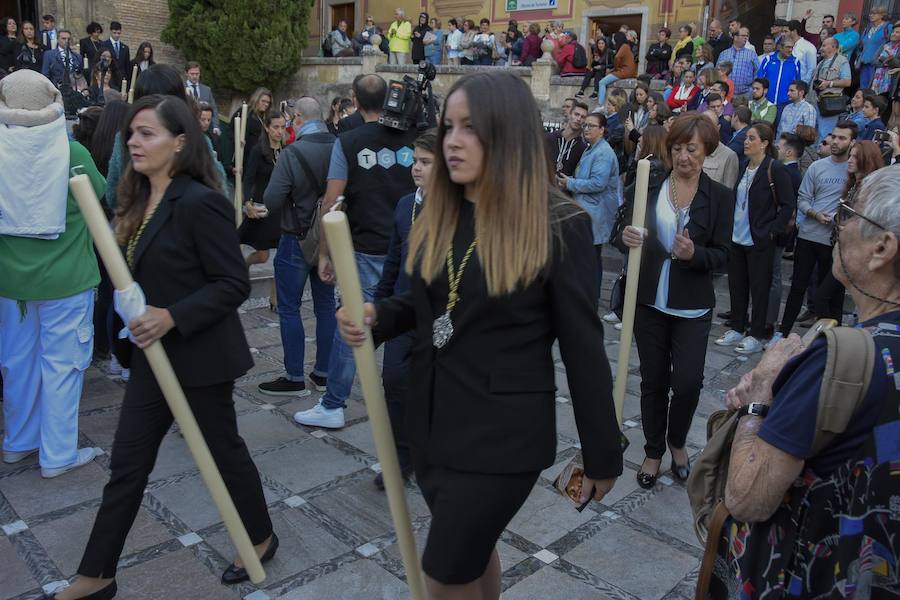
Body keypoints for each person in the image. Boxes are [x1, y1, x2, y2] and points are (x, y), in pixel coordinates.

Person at [338, 69, 622, 600]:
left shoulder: (560, 225)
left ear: (507, 132)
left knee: (444, 574)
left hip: (500, 439)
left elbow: (584, 351)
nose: (453, 141)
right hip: (432, 420)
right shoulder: (443, 209)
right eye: (448, 127)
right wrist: (380, 316)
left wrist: (602, 453)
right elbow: (429, 304)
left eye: (470, 127)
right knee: (472, 554)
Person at [52, 94, 277, 600]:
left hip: (199, 355)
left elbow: (231, 283)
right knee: (128, 465)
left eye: (147, 133)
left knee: (222, 453)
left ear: (180, 142)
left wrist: (172, 315)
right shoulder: (134, 198)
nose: (134, 140)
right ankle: (97, 574)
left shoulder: (201, 202)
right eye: (131, 132)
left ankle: (260, 534)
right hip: (151, 360)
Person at [721, 165, 900, 598]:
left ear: (882, 247)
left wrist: (761, 392)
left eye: (849, 213)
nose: (840, 225)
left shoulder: (836, 361)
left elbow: (747, 498)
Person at [614, 112, 732, 488]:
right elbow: (622, 230)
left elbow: (725, 255)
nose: (683, 156)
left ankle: (678, 441)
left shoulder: (720, 197)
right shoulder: (648, 185)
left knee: (687, 383)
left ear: (706, 150)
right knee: (652, 380)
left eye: (692, 149)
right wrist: (626, 237)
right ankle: (653, 450)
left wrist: (695, 255)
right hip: (648, 301)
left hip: (691, 305)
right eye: (678, 148)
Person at [293, 75, 416, 429]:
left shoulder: (346, 141)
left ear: (355, 100)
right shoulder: (415, 137)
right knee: (404, 326)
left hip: (364, 247)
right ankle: (400, 416)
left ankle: (333, 403)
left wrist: (327, 253)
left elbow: (332, 201)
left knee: (352, 324)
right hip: (409, 244)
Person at [0, 68, 104, 479]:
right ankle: (57, 453)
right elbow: (99, 195)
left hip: (11, 282)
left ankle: (19, 442)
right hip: (67, 279)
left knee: (17, 361)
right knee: (62, 364)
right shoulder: (72, 153)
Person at [371, 130, 437, 490]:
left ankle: (428, 451)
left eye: (426, 162)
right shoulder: (403, 206)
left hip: (438, 316)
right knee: (393, 381)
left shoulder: (454, 209)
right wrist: (379, 312)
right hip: (401, 309)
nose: (417, 168)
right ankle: (400, 458)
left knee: (432, 389)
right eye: (415, 160)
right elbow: (393, 262)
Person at [259, 97, 336, 397]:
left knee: (290, 308)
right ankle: (324, 372)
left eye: (292, 117)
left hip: (295, 235)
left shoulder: (293, 153)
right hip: (328, 236)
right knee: (326, 305)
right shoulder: (339, 146)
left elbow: (271, 200)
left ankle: (294, 377)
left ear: (299, 118)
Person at [717, 123, 796, 354]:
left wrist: (773, 231)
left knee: (759, 289)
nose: (746, 142)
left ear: (764, 143)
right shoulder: (743, 166)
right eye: (746, 138)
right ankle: (737, 327)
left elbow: (788, 204)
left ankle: (757, 333)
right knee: (737, 284)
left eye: (752, 138)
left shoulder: (775, 168)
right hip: (737, 236)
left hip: (760, 238)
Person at [105, 64, 227, 209]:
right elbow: (113, 196)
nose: (135, 143)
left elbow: (113, 196)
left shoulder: (195, 140)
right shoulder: (126, 138)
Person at [777, 121, 855, 336]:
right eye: (834, 137)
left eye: (842, 138)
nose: (836, 142)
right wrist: (814, 214)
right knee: (797, 288)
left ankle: (829, 339)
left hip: (835, 241)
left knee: (831, 293)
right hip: (809, 235)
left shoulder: (854, 169)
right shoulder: (817, 166)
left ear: (852, 142)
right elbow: (802, 199)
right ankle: (782, 333)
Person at [558, 111, 620, 288]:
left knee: (591, 260)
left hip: (596, 213)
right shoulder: (591, 148)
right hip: (588, 212)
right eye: (586, 125)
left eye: (591, 126)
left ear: (602, 130)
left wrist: (570, 183)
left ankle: (592, 297)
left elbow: (598, 184)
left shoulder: (603, 153)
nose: (586, 129)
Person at [239, 109, 284, 274]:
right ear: (267, 128)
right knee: (263, 255)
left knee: (281, 257)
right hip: (262, 205)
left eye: (282, 127)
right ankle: (245, 264)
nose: (279, 131)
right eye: (276, 127)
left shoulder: (284, 150)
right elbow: (249, 178)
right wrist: (247, 202)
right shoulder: (258, 151)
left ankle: (275, 299)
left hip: (280, 208)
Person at [814, 37, 852, 139]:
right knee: (817, 133)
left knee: (825, 133)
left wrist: (829, 83)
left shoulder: (842, 61)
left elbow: (847, 81)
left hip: (831, 102)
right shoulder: (821, 62)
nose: (821, 48)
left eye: (824, 45)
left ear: (833, 47)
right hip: (818, 101)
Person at [230, 87, 272, 175]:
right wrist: (236, 140)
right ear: (256, 99)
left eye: (268, 102)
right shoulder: (244, 112)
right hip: (244, 155)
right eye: (263, 101)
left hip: (259, 157)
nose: (266, 104)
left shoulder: (266, 117)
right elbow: (231, 129)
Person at [546, 100, 588, 177]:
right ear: (570, 115)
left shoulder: (582, 148)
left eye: (583, 117)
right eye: (576, 114)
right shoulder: (549, 138)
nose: (578, 119)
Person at [701, 109, 740, 189]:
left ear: (718, 128)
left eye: (710, 126)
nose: (705, 129)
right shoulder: (690, 151)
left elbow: (728, 192)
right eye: (702, 125)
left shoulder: (729, 156)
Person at [758, 39, 801, 110]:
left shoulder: (795, 62)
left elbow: (797, 82)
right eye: (787, 47)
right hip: (767, 102)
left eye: (792, 47)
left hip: (786, 103)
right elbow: (760, 80)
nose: (790, 50)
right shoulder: (768, 60)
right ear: (780, 47)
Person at [597, 29, 637, 105]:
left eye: (614, 39)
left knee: (601, 82)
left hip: (625, 71)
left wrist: (615, 68)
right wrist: (613, 69)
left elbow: (617, 57)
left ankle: (600, 105)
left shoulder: (624, 46)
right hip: (627, 71)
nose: (613, 41)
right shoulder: (626, 46)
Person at [716, 27, 758, 96]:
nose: (746, 38)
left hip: (745, 94)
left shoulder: (752, 54)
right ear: (735, 37)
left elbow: (757, 73)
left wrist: (751, 90)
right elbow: (717, 72)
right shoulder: (724, 54)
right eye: (743, 36)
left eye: (747, 36)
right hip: (725, 94)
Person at [859, 6, 893, 90]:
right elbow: (861, 45)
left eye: (874, 13)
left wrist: (881, 58)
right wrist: (859, 57)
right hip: (864, 64)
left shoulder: (888, 27)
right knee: (863, 88)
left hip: (878, 65)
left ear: (882, 15)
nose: (871, 15)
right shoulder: (868, 29)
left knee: (873, 90)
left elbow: (891, 43)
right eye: (870, 13)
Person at [183, 61, 218, 134]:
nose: (195, 76)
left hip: (204, 130)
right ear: (186, 73)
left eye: (197, 74)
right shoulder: (181, 88)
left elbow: (213, 108)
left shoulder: (207, 90)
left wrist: (215, 126)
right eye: (192, 74)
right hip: (186, 127)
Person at [787, 20, 818, 88]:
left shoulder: (808, 47)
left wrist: (804, 85)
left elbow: (812, 69)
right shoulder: (785, 47)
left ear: (794, 31)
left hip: (800, 86)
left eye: (786, 31)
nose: (782, 34)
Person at [102, 22, 130, 86]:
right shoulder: (104, 45)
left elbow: (127, 66)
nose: (117, 35)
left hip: (122, 79)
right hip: (109, 77)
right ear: (110, 32)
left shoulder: (125, 48)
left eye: (118, 33)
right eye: (114, 33)